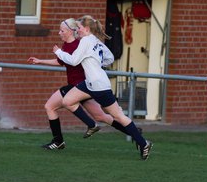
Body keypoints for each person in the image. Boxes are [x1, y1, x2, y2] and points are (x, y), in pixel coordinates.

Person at [53, 15, 153, 160]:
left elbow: (74, 61)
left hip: (99, 86)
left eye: (79, 28)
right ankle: (92, 124)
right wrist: (95, 63)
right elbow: (110, 58)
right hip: (90, 83)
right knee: (67, 101)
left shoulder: (86, 40)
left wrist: (58, 52)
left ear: (86, 29)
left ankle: (143, 143)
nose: (77, 30)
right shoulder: (94, 40)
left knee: (118, 116)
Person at [28, 18, 132, 150]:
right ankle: (133, 132)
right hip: (82, 86)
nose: (59, 33)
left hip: (79, 86)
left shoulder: (78, 44)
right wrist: (39, 61)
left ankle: (61, 139)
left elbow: (74, 60)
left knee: (50, 106)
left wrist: (59, 52)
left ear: (71, 31)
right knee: (101, 116)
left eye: (62, 30)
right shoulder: (68, 44)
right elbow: (62, 62)